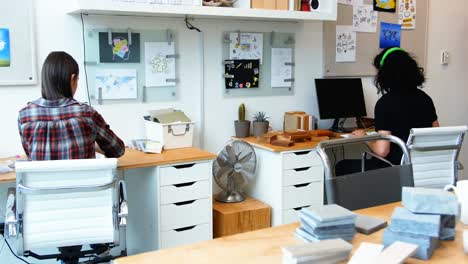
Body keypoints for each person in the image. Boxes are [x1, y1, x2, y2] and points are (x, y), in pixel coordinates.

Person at [336, 47, 439, 175]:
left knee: (341, 166)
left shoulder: (385, 103)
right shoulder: (425, 99)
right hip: (421, 169)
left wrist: (364, 138)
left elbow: (382, 151)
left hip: (394, 170)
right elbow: (436, 136)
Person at [18, 51, 125, 160]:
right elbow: (118, 150)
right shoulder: (87, 114)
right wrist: (91, 141)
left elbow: (30, 153)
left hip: (44, 178)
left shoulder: (25, 116)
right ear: (72, 79)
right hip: (84, 177)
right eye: (77, 80)